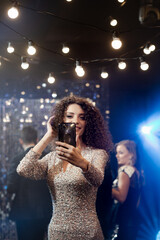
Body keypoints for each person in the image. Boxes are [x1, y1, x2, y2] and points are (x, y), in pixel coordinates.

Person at [16, 95, 113, 240]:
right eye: (69, 116)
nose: (76, 121)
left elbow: (97, 179)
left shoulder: (97, 154)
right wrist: (49, 135)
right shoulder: (53, 157)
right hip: (57, 231)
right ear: (61, 120)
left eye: (82, 117)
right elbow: (23, 169)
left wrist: (81, 162)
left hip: (88, 232)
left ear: (88, 123)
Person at [7, 126, 52, 240]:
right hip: (45, 210)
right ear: (37, 140)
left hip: (24, 213)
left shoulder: (17, 159)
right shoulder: (48, 157)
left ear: (21, 141)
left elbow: (11, 188)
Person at [111, 140, 143, 240]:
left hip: (123, 220)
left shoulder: (125, 170)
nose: (117, 156)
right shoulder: (136, 172)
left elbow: (121, 197)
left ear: (131, 155)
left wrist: (104, 186)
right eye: (116, 153)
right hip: (133, 219)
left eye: (121, 153)